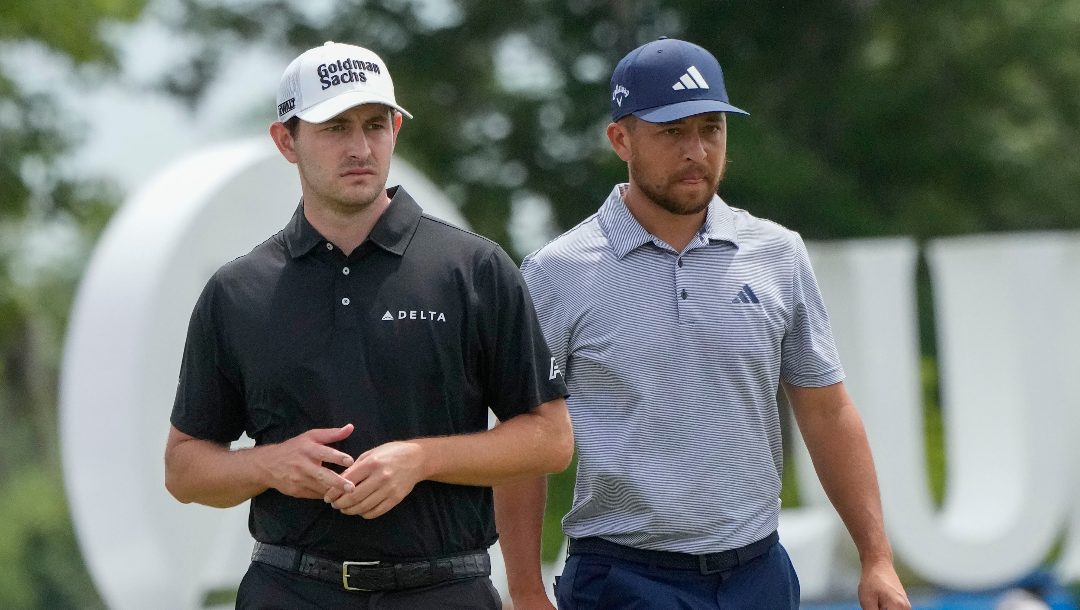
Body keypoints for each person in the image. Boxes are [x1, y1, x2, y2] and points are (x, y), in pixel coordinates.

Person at [498, 37, 911, 610]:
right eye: (672, 132)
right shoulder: (557, 271)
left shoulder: (778, 252)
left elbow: (826, 411)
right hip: (623, 578)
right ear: (621, 139)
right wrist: (524, 591)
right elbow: (523, 436)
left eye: (711, 129)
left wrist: (877, 558)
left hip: (758, 575)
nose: (696, 150)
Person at [164, 41, 574, 609]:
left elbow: (550, 440)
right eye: (335, 128)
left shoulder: (474, 268)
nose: (360, 147)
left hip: (444, 591)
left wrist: (421, 459)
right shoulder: (238, 291)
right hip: (289, 591)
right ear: (286, 141)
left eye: (375, 125)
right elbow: (183, 469)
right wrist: (269, 465)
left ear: (395, 130)